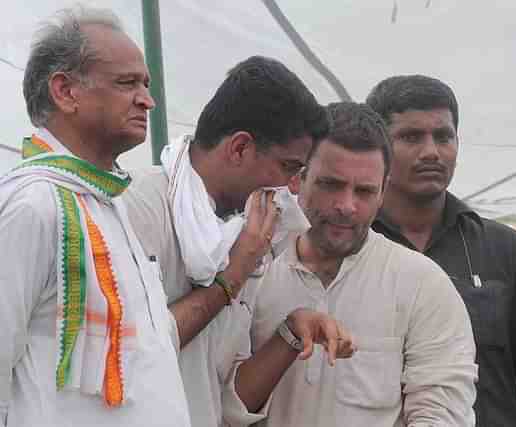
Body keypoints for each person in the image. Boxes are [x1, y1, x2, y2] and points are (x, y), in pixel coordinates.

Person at [122, 56, 355, 427]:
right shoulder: (133, 211)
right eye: (289, 167)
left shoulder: (244, 230)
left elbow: (222, 398)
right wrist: (233, 275)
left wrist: (291, 334)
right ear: (240, 148)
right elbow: (126, 352)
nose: (292, 187)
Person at [0, 7, 191, 427]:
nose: (148, 99)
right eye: (127, 83)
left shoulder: (108, 201)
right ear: (66, 91)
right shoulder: (33, 205)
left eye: (146, 83)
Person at [247, 102, 478, 427]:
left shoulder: (421, 283)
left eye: (365, 191)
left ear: (383, 192)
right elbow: (219, 398)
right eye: (331, 185)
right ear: (299, 179)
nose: (346, 206)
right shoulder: (252, 273)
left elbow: (442, 412)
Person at [367, 75, 516, 427]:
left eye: (443, 136)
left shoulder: (504, 249)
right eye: (411, 137)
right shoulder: (350, 246)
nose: (431, 151)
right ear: (379, 147)